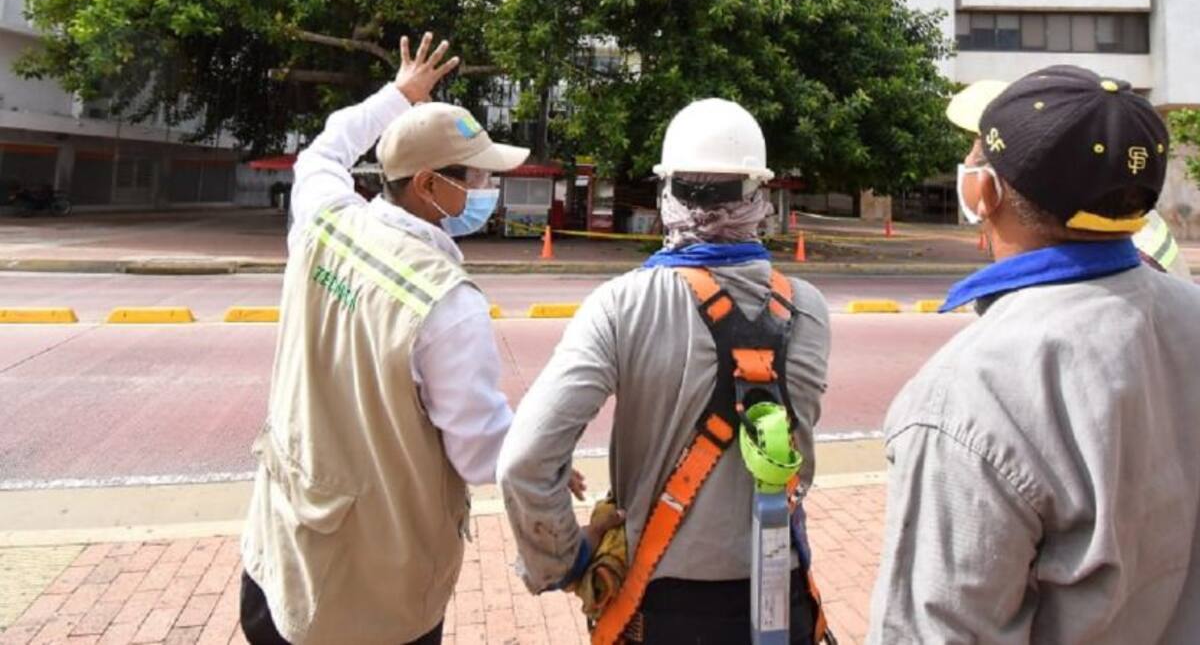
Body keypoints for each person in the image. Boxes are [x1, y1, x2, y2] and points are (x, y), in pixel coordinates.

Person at [868, 65, 1200, 643]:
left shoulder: (970, 393)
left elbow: (935, 628)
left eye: (975, 158)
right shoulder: (1188, 312)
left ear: (983, 192)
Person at [497, 98, 832, 644]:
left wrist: (567, 559)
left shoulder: (621, 304)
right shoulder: (808, 308)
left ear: (665, 195)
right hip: (780, 598)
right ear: (761, 197)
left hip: (659, 608)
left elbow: (525, 461)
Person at [240, 34, 529, 645]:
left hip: (277, 559)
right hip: (373, 598)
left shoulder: (324, 221)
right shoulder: (446, 302)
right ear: (428, 185)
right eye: (477, 175)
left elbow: (323, 153)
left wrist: (396, 96)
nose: (487, 189)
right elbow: (481, 454)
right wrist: (545, 453)